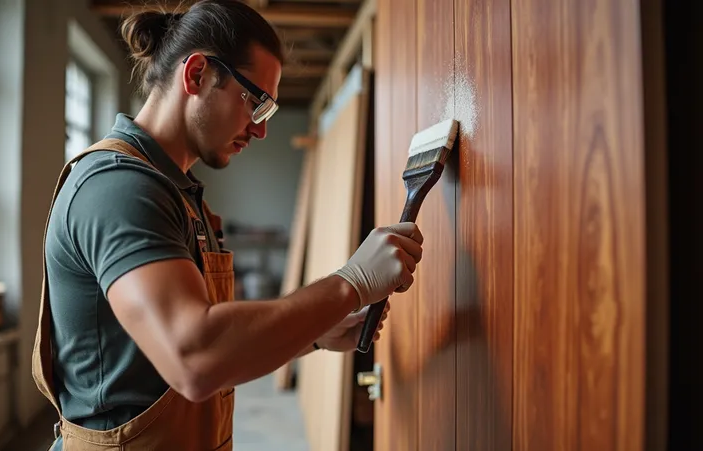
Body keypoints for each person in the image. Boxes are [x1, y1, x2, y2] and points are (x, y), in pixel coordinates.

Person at [32, 1, 423, 449]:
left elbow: (193, 350)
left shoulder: (175, 190)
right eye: (255, 102)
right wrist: (349, 283)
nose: (260, 130)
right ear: (197, 74)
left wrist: (311, 335)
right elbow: (194, 358)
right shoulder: (119, 188)